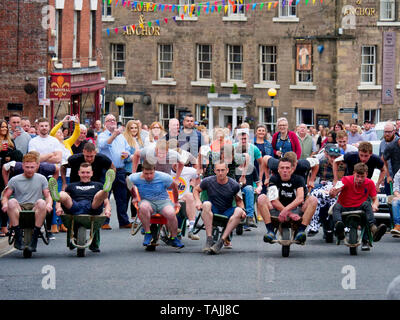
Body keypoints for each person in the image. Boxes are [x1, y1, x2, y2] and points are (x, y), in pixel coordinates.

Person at [49, 163, 115, 253]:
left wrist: (107, 210)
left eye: (87, 172)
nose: (85, 175)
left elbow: (106, 202)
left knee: (101, 193)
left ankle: (107, 187)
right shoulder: (72, 186)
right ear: (79, 173)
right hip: (75, 207)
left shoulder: (97, 185)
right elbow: (61, 202)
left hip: (92, 207)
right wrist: (58, 208)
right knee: (63, 195)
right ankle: (56, 195)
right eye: (83, 172)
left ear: (92, 173)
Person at [1, 153, 53, 253]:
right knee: (11, 201)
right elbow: (5, 196)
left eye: (32, 167)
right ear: (23, 166)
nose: (29, 170)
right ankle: (18, 236)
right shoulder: (15, 180)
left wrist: (49, 204)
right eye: (27, 167)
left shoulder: (42, 179)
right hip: (20, 209)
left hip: (35, 208)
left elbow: (47, 196)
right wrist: (5, 204)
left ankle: (34, 240)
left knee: (42, 202)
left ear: (37, 166)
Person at [259, 157, 317, 244]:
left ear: (292, 169)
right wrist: (288, 213)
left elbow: (300, 198)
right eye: (282, 168)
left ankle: (301, 231)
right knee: (262, 197)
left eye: (287, 168)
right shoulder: (273, 179)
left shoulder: (299, 179)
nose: (285, 170)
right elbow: (273, 200)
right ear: (278, 169)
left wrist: (287, 211)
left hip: (296, 210)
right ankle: (270, 231)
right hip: (277, 210)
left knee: (313, 199)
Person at [128, 160, 184, 249]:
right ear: (142, 170)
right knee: (143, 206)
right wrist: (134, 196)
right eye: (146, 173)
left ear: (154, 170)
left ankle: (174, 238)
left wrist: (176, 202)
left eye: (151, 173)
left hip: (163, 201)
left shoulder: (163, 177)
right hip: (147, 201)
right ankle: (148, 233)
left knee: (171, 213)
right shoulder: (134, 177)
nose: (149, 176)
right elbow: (128, 183)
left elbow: (174, 187)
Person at [193, 162, 246, 254]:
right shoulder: (208, 181)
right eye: (218, 170)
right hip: (213, 209)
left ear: (227, 171)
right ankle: (209, 239)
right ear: (214, 171)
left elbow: (239, 201)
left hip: (227, 211)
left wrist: (243, 210)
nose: (220, 173)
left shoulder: (234, 185)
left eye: (222, 170)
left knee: (239, 211)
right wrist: (197, 201)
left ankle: (221, 241)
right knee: (206, 204)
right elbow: (196, 190)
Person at [329, 162, 387, 243]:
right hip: (344, 207)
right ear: (354, 174)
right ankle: (339, 228)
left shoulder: (370, 183)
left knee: (367, 204)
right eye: (357, 176)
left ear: (366, 174)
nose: (359, 179)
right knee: (336, 206)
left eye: (362, 177)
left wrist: (375, 205)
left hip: (360, 208)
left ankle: (373, 229)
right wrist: (332, 192)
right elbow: (336, 191)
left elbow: (375, 199)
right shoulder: (346, 179)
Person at [97, 114, 133, 229]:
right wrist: (114, 135)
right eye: (109, 120)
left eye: (114, 120)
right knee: (105, 195)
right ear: (105, 123)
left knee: (122, 197)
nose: (112, 122)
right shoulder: (102, 135)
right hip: (106, 171)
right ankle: (104, 221)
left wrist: (127, 154)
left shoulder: (121, 137)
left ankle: (123, 221)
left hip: (120, 169)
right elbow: (104, 145)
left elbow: (127, 150)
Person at [49, 114, 81, 233]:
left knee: (66, 200)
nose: (61, 133)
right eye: (59, 132)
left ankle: (63, 223)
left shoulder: (67, 143)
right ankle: (54, 223)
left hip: (69, 175)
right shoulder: (52, 142)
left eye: (62, 132)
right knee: (56, 199)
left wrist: (77, 123)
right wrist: (62, 122)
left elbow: (76, 134)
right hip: (57, 174)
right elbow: (52, 132)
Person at [307, 144, 345, 237]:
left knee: (340, 200)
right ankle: (314, 226)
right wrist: (310, 183)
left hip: (339, 188)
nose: (333, 159)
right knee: (314, 197)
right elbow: (311, 176)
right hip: (323, 187)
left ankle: (343, 227)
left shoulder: (343, 164)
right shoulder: (321, 163)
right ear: (326, 154)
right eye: (331, 156)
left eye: (335, 157)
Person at [0, 119, 23, 236]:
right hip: (1, 170)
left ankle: (7, 226)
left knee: (7, 199)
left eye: (5, 127)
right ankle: (3, 226)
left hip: (8, 172)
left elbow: (15, 155)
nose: (4, 129)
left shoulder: (10, 141)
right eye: (2, 127)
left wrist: (9, 157)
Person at [170, 163, 200, 240]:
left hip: (183, 200)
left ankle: (191, 228)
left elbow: (198, 175)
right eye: (174, 161)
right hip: (169, 200)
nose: (176, 164)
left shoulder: (189, 171)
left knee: (190, 195)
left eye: (179, 162)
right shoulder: (167, 170)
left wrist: (195, 187)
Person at [380, 122, 398, 195]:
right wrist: (382, 178)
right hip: (387, 178)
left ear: (394, 131)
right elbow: (380, 162)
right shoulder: (382, 143)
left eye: (389, 132)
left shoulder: (398, 142)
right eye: (385, 132)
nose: (387, 134)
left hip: (397, 176)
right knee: (389, 200)